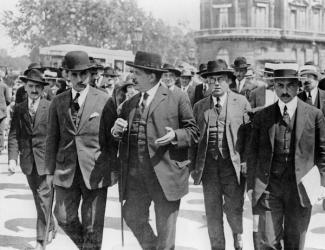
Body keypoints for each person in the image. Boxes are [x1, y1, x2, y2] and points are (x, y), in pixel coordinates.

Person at [111, 51, 199, 250]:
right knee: (131, 215)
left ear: (151, 76)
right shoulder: (131, 103)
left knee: (166, 233)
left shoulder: (177, 97)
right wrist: (116, 132)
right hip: (136, 178)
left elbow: (193, 132)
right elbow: (124, 135)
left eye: (137, 73)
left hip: (165, 175)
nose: (132, 77)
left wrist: (175, 135)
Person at [247, 64, 325, 250]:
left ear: (298, 86)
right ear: (274, 87)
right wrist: (251, 186)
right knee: (267, 242)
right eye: (280, 85)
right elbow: (253, 154)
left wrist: (322, 183)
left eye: (289, 85)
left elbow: (323, 152)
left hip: (300, 188)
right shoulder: (262, 116)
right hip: (269, 187)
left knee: (295, 242)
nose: (284, 90)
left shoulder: (314, 115)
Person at [45, 51, 115, 250]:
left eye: (84, 74)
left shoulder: (104, 100)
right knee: (63, 217)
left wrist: (112, 169)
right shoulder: (58, 101)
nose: (79, 79)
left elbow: (112, 140)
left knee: (93, 226)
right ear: (67, 75)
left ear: (91, 74)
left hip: (95, 171)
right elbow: (52, 138)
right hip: (66, 170)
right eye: (74, 74)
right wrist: (49, 171)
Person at [190, 60, 250, 250]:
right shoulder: (200, 106)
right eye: (212, 79)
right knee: (212, 212)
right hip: (209, 168)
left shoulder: (240, 102)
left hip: (233, 167)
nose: (216, 83)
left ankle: (238, 240)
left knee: (234, 209)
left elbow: (250, 136)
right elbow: (193, 138)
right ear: (206, 82)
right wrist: (193, 167)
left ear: (229, 82)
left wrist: (246, 162)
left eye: (221, 79)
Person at [8, 69, 56, 250]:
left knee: (44, 198)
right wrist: (12, 159)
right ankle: (50, 224)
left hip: (46, 160)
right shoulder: (19, 108)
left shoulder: (51, 107)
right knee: (38, 198)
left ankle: (40, 240)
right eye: (31, 86)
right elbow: (13, 134)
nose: (34, 90)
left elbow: (55, 135)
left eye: (37, 87)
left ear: (43, 89)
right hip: (28, 161)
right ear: (25, 87)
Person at [0, 77, 11, 153]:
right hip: (1, 111)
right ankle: (0, 147)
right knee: (0, 131)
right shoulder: (4, 86)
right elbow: (8, 100)